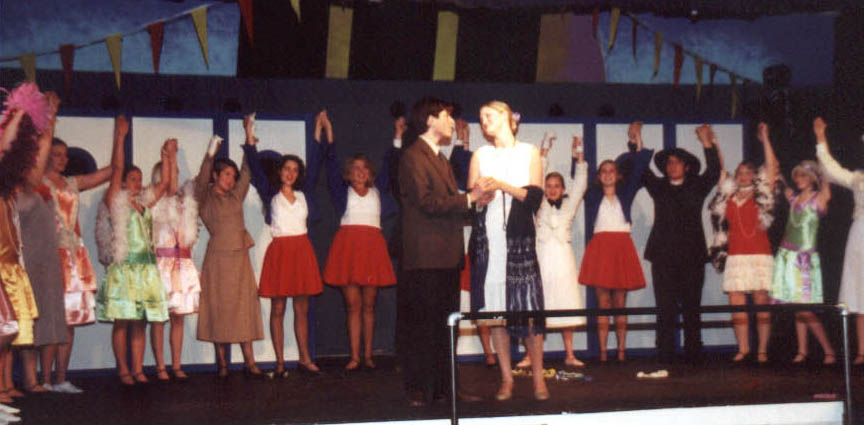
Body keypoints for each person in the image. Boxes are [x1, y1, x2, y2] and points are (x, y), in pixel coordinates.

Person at [397, 97, 483, 406]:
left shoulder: (440, 159)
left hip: (446, 255)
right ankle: (420, 388)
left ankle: (447, 388)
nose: (452, 123)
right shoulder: (412, 156)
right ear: (430, 120)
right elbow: (426, 203)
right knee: (424, 326)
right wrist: (469, 199)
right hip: (425, 257)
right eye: (447, 116)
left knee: (448, 326)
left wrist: (476, 201)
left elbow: (448, 205)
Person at [468, 100, 548, 401]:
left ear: (505, 116)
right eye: (480, 118)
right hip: (489, 244)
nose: (483, 121)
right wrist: (480, 198)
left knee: (528, 314)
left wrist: (502, 185)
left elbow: (534, 198)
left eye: (488, 115)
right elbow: (471, 201)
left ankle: (539, 379)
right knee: (496, 316)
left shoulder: (529, 152)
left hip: (519, 242)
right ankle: (506, 379)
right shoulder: (480, 155)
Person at [42, 118, 124, 393]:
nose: (62, 159)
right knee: (50, 319)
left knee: (69, 319)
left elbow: (112, 171)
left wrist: (119, 137)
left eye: (65, 155)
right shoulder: (37, 182)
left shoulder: (71, 183)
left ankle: (61, 378)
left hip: (73, 257)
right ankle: (43, 380)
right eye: (56, 154)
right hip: (50, 254)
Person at [243, 111, 326, 376]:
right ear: (279, 172)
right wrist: (249, 134)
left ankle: (304, 358)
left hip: (302, 252)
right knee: (278, 308)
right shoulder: (270, 194)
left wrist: (318, 128)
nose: (290, 173)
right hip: (280, 253)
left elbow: (315, 163)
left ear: (298, 174)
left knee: (302, 309)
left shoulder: (304, 194)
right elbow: (255, 166)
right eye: (286, 169)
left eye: (294, 170)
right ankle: (279, 363)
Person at [0, 82, 58, 422]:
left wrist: (43, 122)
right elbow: (5, 148)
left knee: (7, 331)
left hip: (8, 265)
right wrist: (20, 112)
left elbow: (27, 164)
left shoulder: (8, 186)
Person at [322, 112, 397, 371]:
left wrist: (398, 136)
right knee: (353, 306)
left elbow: (390, 163)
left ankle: (368, 355)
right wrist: (329, 134)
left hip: (372, 251)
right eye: (355, 168)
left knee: (369, 306)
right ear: (348, 174)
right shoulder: (342, 193)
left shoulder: (378, 192)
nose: (360, 172)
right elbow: (330, 165)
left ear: (370, 173)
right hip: (349, 250)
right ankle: (354, 356)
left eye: (364, 168)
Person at [96, 137, 173, 385]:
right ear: (122, 183)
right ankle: (123, 369)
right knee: (122, 320)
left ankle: (138, 368)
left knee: (140, 320)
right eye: (132, 179)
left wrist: (166, 156)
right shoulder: (115, 202)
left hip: (146, 268)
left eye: (140, 179)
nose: (138, 183)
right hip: (125, 268)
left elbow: (164, 184)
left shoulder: (143, 204)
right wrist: (119, 137)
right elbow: (116, 170)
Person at [642, 124, 721, 363]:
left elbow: (714, 171)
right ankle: (665, 352)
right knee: (664, 307)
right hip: (663, 257)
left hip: (692, 257)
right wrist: (636, 140)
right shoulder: (659, 187)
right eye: (669, 163)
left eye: (677, 162)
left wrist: (707, 143)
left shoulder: (697, 186)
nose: (672, 166)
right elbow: (642, 170)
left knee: (691, 307)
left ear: (686, 167)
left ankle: (694, 352)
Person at [580, 123, 653, 362]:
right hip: (601, 248)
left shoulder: (626, 192)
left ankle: (621, 350)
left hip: (622, 247)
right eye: (604, 171)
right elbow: (578, 176)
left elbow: (641, 164)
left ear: (618, 175)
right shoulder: (593, 195)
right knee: (603, 303)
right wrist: (577, 154)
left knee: (620, 302)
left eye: (612, 170)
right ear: (599, 176)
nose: (608, 174)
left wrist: (637, 139)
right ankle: (603, 352)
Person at [707, 122, 780, 363]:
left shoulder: (763, 193)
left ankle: (762, 350)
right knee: (736, 303)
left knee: (761, 302)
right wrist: (715, 144)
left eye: (749, 172)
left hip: (759, 253)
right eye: (740, 172)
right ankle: (743, 348)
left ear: (755, 175)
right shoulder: (728, 195)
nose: (744, 175)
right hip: (736, 255)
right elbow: (720, 168)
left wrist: (766, 138)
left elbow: (771, 167)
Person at [516, 134, 588, 368]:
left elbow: (581, 183)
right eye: (549, 186)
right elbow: (535, 180)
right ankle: (530, 355)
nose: (553, 189)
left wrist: (579, 153)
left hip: (563, 260)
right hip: (542, 258)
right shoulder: (538, 203)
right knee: (536, 306)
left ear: (563, 188)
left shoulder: (570, 203)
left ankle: (570, 354)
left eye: (557, 186)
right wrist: (544, 150)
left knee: (566, 302)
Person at [195, 134, 264, 378]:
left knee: (244, 308)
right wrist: (211, 152)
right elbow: (202, 178)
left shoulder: (236, 196)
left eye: (232, 176)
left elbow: (246, 172)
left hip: (240, 260)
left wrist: (249, 139)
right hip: (218, 261)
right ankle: (222, 364)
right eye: (226, 174)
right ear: (215, 175)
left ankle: (250, 362)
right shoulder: (204, 197)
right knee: (220, 310)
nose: (231, 179)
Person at [771, 157, 835, 364]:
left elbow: (826, 187)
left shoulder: (818, 199)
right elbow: (778, 176)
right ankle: (802, 350)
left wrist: (821, 166)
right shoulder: (794, 198)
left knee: (804, 308)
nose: (798, 179)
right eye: (797, 176)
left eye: (803, 176)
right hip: (787, 256)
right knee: (796, 307)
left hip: (804, 259)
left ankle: (829, 350)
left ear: (812, 178)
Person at [814, 117, 864, 364]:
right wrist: (821, 137)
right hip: (861, 235)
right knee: (860, 294)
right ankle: (863, 352)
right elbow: (831, 170)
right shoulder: (858, 179)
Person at [149, 149, 201, 381]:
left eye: (177, 172)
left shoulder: (186, 202)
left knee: (178, 317)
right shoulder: (154, 201)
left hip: (182, 265)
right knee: (159, 318)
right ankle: (160, 366)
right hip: (163, 265)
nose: (175, 177)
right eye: (171, 172)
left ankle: (177, 364)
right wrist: (168, 155)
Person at [450, 119, 496, 367]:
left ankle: (490, 353)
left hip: (480, 254)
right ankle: (452, 352)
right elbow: (458, 170)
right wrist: (462, 141)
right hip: (458, 254)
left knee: (483, 304)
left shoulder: (492, 204)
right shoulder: (460, 196)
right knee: (458, 304)